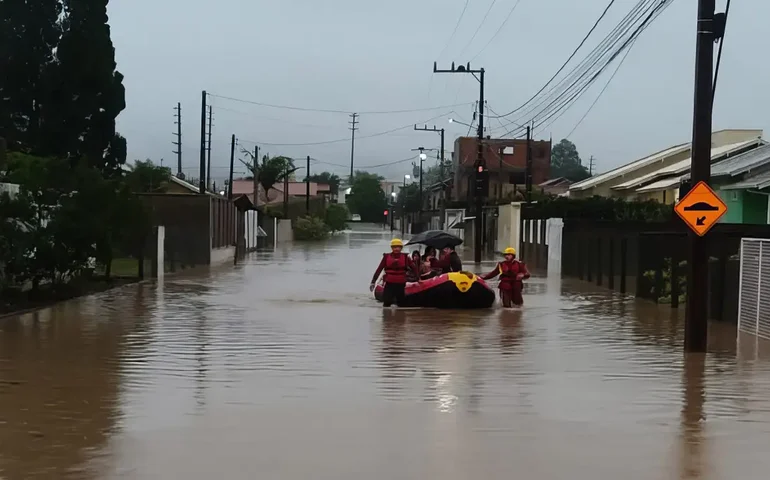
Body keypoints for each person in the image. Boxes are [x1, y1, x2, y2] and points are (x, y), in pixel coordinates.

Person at [370, 238, 421, 307]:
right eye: (394, 247)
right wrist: (373, 281)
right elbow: (379, 269)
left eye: (398, 247)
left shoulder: (406, 257)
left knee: (401, 303)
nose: (396, 249)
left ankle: (400, 317)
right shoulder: (386, 257)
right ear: (391, 248)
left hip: (400, 283)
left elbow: (414, 268)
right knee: (387, 303)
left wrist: (418, 279)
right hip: (389, 282)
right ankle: (387, 316)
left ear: (401, 248)